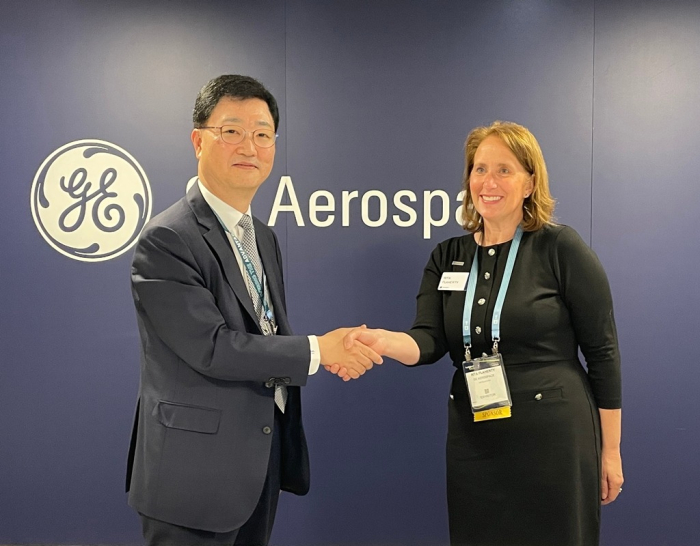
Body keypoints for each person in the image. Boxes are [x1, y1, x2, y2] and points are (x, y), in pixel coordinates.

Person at [125, 74, 381, 546]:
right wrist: (320, 352)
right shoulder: (168, 238)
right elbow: (214, 348)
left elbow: (262, 330)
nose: (250, 146)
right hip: (193, 478)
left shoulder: (261, 236)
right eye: (232, 131)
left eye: (263, 135)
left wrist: (327, 353)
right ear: (198, 140)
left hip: (257, 459)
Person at [341, 121, 623, 546]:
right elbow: (428, 340)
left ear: (530, 182)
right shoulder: (448, 255)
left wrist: (611, 450)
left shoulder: (560, 248)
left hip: (554, 438)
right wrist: (383, 341)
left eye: (504, 170)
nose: (487, 182)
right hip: (476, 436)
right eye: (479, 169)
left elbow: (603, 353)